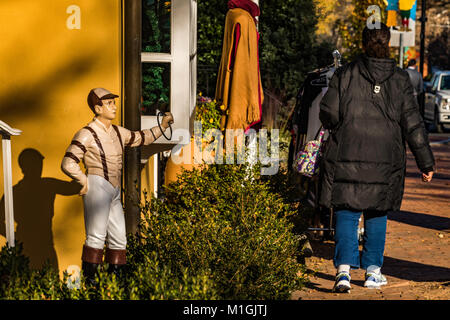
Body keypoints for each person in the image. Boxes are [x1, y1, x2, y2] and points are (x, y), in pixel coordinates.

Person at [318, 23, 435, 293]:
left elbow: (329, 112)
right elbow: (413, 124)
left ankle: (343, 272)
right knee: (377, 212)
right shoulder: (400, 79)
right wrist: (425, 162)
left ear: (363, 43)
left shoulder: (345, 74)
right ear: (389, 44)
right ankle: (373, 271)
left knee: (346, 211)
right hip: (386, 157)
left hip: (346, 152)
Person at [61, 87, 174, 284]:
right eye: (109, 103)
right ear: (97, 108)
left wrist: (163, 126)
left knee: (119, 239)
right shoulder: (86, 134)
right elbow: (68, 163)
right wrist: (84, 181)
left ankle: (115, 287)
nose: (114, 106)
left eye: (114, 102)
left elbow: (141, 137)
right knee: (95, 238)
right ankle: (92, 286)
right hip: (97, 184)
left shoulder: (117, 131)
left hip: (113, 190)